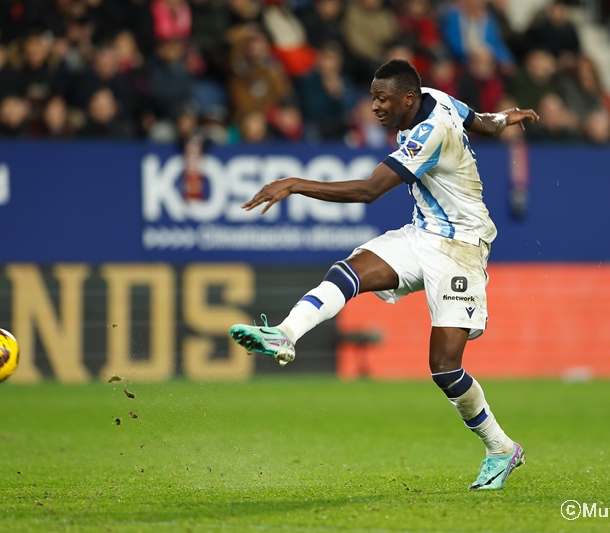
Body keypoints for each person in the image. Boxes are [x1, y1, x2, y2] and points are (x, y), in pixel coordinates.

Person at [230, 59, 538, 490]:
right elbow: (484, 124)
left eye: (382, 99)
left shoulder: (430, 132)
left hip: (461, 247)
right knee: (348, 272)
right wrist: (509, 116)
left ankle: (501, 448)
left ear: (407, 99)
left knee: (445, 368)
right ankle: (285, 333)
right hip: (423, 234)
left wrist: (296, 183)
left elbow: (368, 191)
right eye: (373, 97)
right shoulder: (438, 98)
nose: (374, 107)